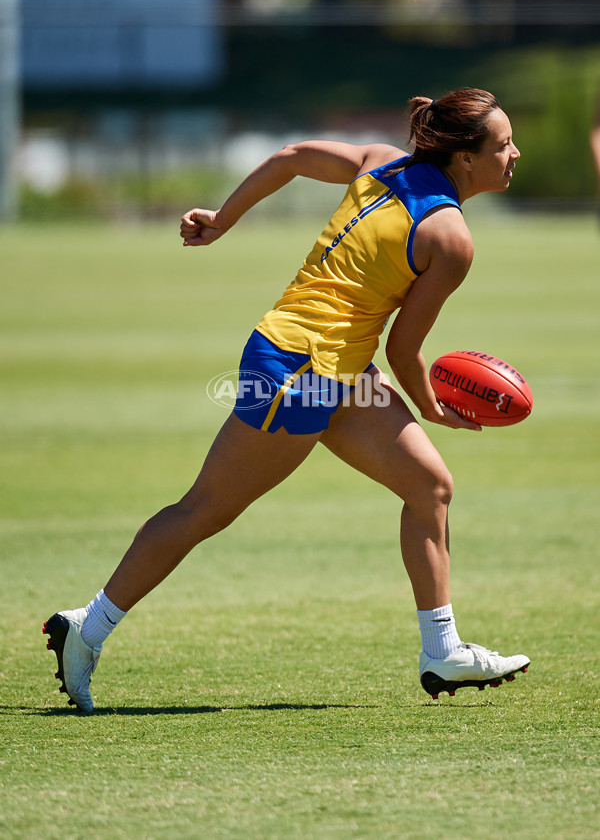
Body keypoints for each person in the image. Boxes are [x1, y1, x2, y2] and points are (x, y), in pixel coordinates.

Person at [43, 88, 530, 713]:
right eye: (503, 144)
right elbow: (408, 351)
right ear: (465, 159)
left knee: (429, 486)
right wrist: (435, 409)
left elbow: (294, 155)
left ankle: (442, 651)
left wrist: (222, 219)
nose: (514, 153)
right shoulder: (450, 237)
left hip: (338, 366)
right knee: (205, 510)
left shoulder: (381, 159)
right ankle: (87, 629)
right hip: (298, 370)